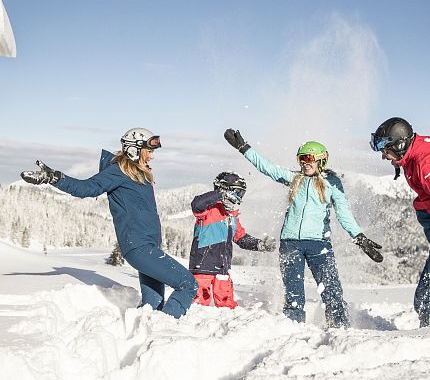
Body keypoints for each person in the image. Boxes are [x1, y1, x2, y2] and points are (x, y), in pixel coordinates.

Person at [20, 127, 198, 319]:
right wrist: (54, 177)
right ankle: (166, 328)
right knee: (188, 284)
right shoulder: (118, 172)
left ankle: (146, 334)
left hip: (149, 246)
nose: (152, 156)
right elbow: (86, 188)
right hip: (139, 247)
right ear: (134, 149)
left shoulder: (140, 174)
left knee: (152, 306)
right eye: (150, 151)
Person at [224, 129, 383, 328]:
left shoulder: (332, 184)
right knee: (293, 291)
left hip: (319, 244)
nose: (304, 163)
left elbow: (343, 213)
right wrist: (244, 148)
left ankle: (340, 327)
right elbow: (267, 167)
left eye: (309, 159)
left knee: (331, 288)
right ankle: (293, 327)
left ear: (321, 161)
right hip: (290, 243)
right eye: (301, 159)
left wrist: (358, 236)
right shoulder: (294, 179)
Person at [370, 117, 430, 327]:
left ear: (400, 144)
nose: (384, 157)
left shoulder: (425, 162)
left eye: (385, 150)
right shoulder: (413, 155)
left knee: (425, 300)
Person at [189, 171, 276, 309]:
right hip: (202, 267)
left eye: (241, 195)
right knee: (198, 302)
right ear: (225, 190)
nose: (238, 199)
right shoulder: (208, 210)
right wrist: (219, 194)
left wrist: (259, 244)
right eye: (237, 193)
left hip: (222, 268)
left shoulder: (232, 216)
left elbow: (241, 237)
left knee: (226, 303)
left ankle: (228, 325)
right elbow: (196, 204)